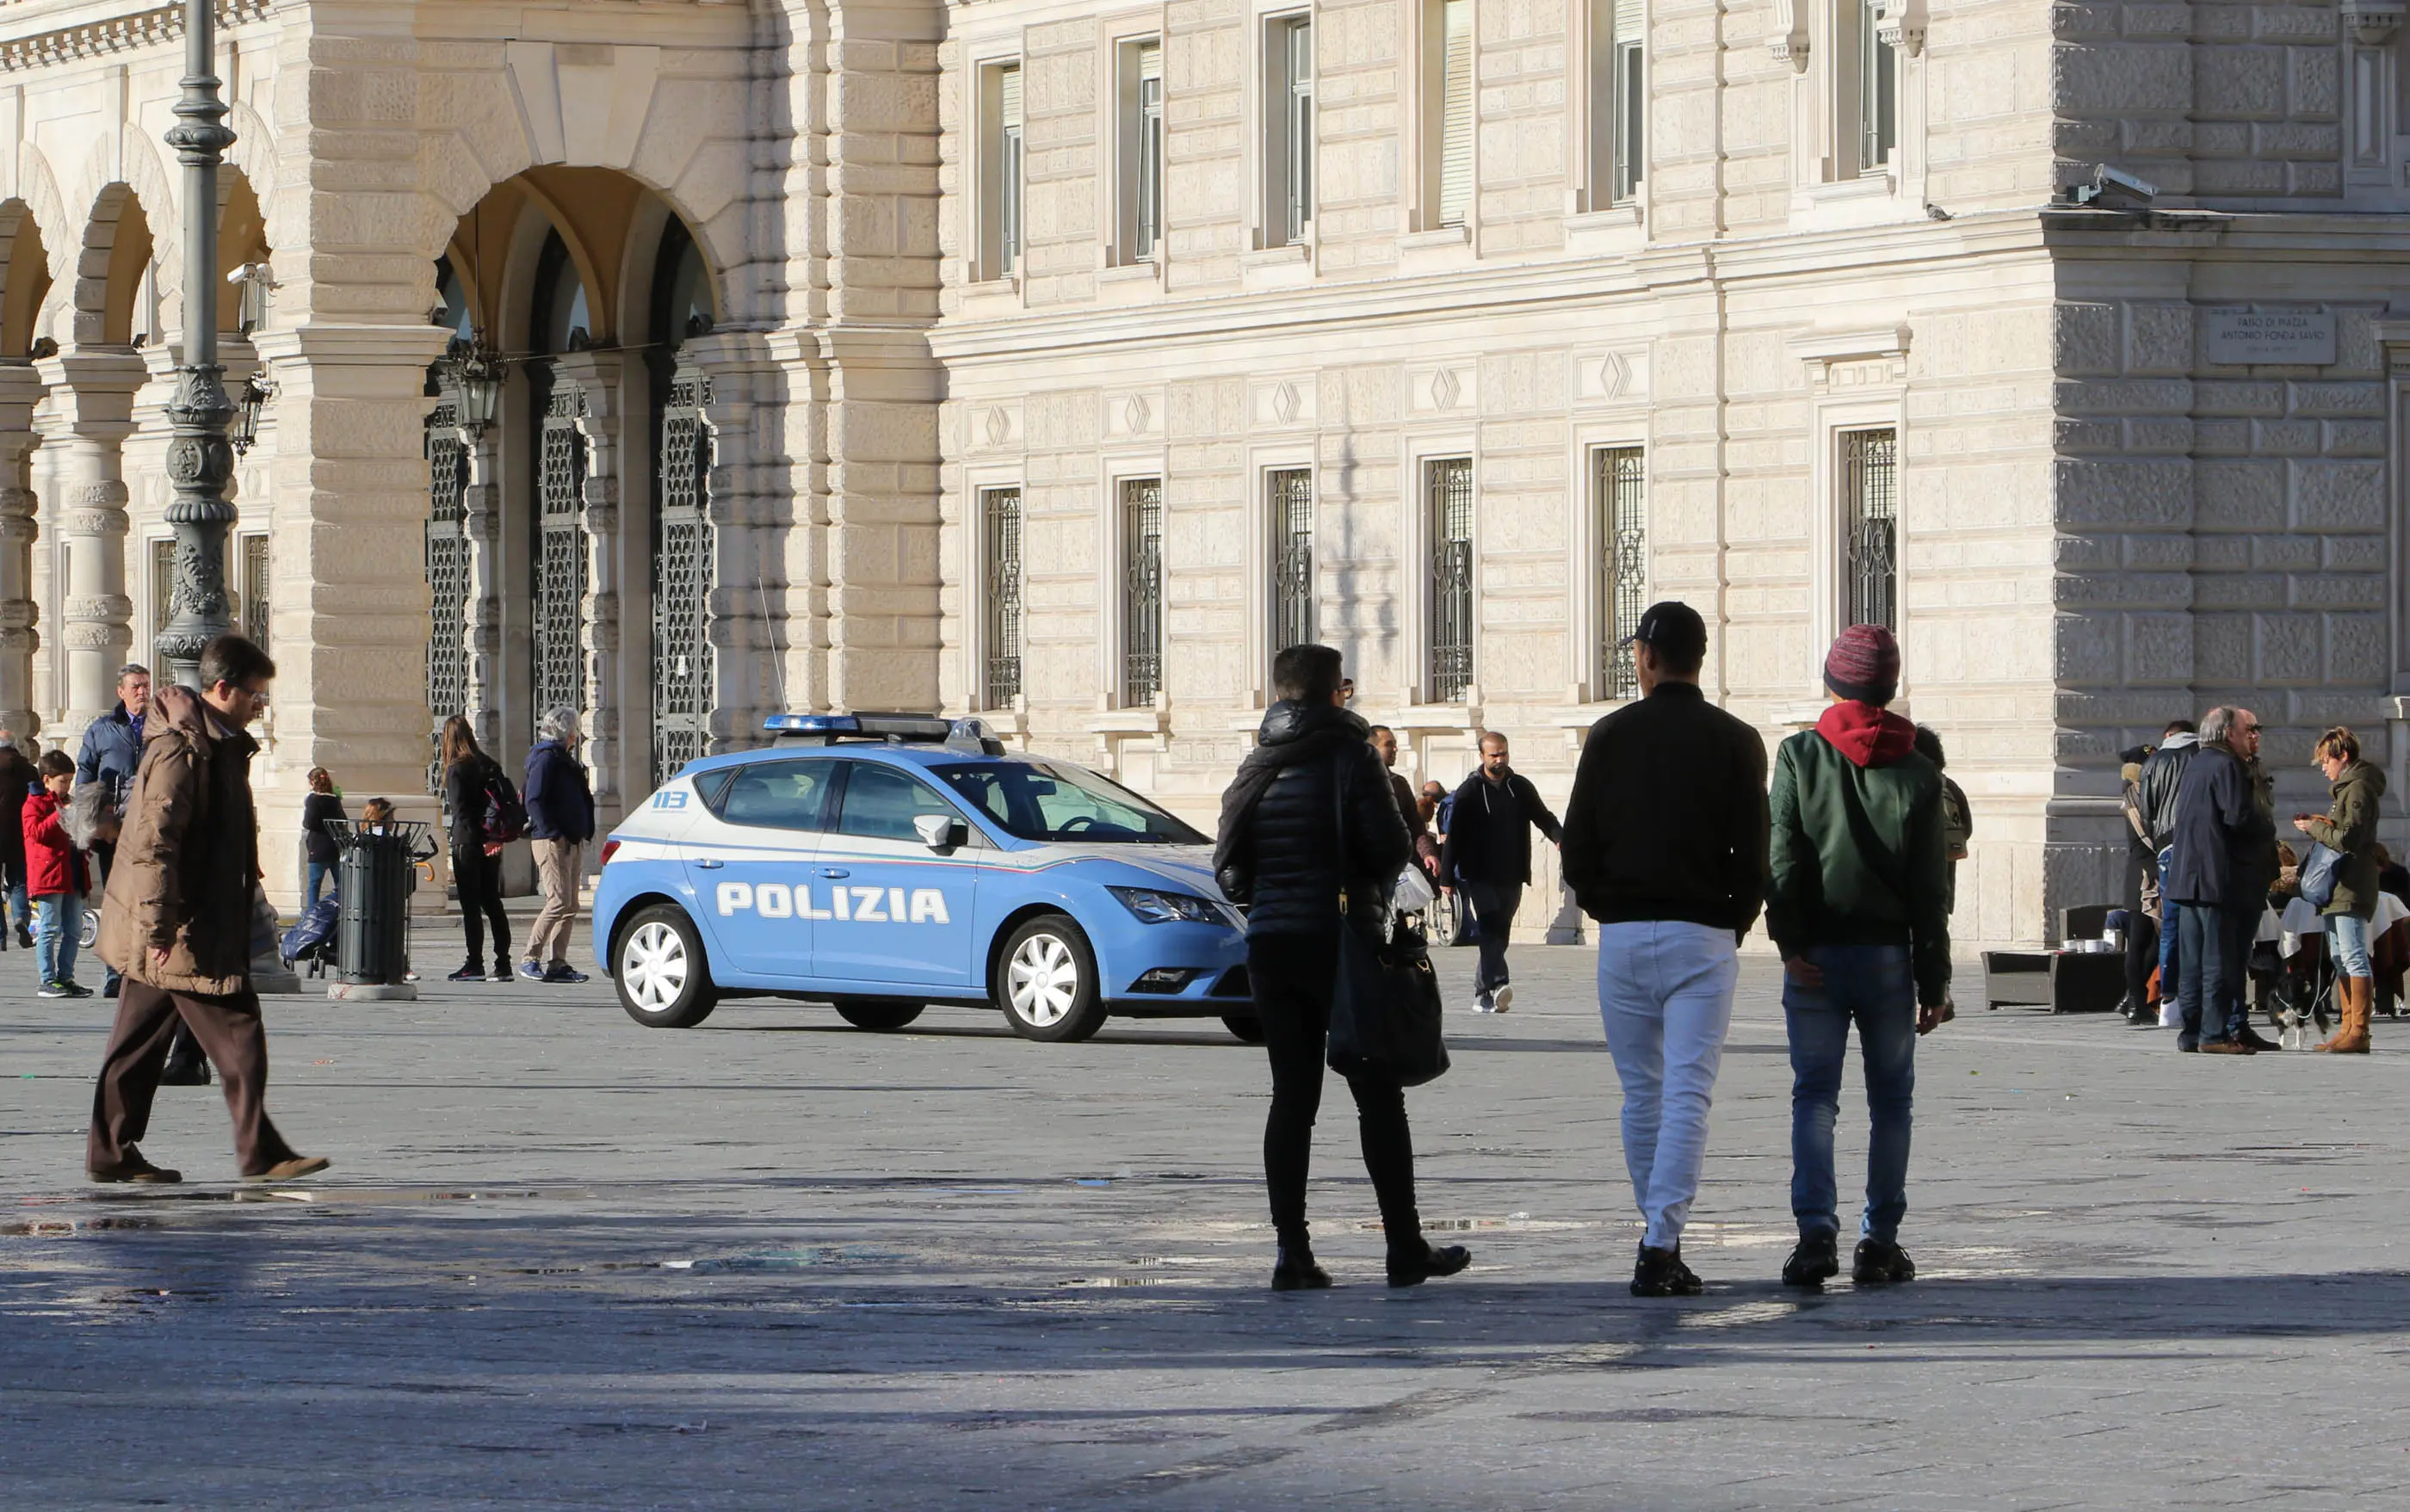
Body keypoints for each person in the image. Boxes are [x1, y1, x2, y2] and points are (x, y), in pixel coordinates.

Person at [1212, 643, 1470, 1292]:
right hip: (1342, 942)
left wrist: (1271, 906)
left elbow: (1231, 866)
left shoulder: (1255, 763)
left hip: (1272, 944)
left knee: (1291, 1098)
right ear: (1335, 692)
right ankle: (1403, 1246)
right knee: (1377, 1092)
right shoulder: (1353, 756)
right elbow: (1389, 847)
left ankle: (1291, 1252)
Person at [1560, 601, 1769, 1298]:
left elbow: (1577, 840)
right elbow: (1754, 850)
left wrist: (1603, 907)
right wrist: (1733, 919)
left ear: (1647, 656)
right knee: (1686, 1093)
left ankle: (1656, 1233)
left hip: (1623, 933)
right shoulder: (1737, 739)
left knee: (1641, 1093)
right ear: (1699, 658)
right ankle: (1660, 1241)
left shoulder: (1609, 734)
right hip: (1701, 930)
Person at [86, 634, 329, 1184]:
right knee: (239, 1030)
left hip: (183, 921)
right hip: (182, 926)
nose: (257, 707)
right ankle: (260, 1154)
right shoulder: (182, 749)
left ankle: (112, 1154)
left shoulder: (219, 745)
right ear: (223, 689)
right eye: (254, 696)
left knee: (135, 1046)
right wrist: (158, 926)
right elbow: (156, 843)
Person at [1765, 624, 1950, 1290]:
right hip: (1886, 958)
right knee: (1891, 1102)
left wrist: (1787, 942)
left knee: (1814, 1097)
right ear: (1890, 685)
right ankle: (1880, 1241)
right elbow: (1932, 888)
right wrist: (1935, 977)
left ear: (1834, 681)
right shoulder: (1921, 771)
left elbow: (1782, 853)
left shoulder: (1797, 755)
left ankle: (1816, 1234)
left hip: (1815, 951)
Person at [2164, 706, 2277, 1054]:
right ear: (2229, 733)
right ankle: (2213, 1035)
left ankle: (2191, 1033)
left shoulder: (2196, 763)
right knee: (2218, 960)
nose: (2252, 735)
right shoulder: (2227, 765)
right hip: (2217, 878)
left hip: (2187, 878)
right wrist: (2266, 827)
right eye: (2248, 729)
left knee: (2193, 962)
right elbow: (2237, 817)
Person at [1441, 731, 1562, 1013]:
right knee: (1490, 925)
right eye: (1494, 755)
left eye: (1503, 754)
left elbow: (1543, 816)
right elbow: (1455, 836)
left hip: (1512, 872)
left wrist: (1560, 837)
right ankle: (1498, 983)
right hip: (1480, 874)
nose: (1500, 760)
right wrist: (1446, 878)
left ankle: (1484, 994)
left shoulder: (1519, 787)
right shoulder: (1470, 791)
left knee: (1500, 932)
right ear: (1482, 756)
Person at [2296, 727, 2387, 1053]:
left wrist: (2315, 828)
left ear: (2342, 756)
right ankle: (2348, 1026)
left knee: (2352, 955)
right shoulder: (2346, 788)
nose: (2323, 767)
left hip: (2351, 884)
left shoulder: (2358, 787)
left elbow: (2351, 839)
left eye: (2325, 760)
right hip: (2339, 887)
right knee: (2339, 956)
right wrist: (2322, 824)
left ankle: (2359, 1031)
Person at [76, 663, 150, 1000]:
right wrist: (90, 820)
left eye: (146, 685)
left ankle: (145, 970)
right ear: (121, 691)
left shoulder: (161, 727)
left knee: (149, 899)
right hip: (114, 829)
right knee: (116, 901)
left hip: (152, 827)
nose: (142, 691)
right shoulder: (103, 729)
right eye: (135, 686)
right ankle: (114, 972)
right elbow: (85, 774)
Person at [522, 707, 596, 984]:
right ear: (567, 731)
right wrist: (552, 831)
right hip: (552, 839)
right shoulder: (545, 759)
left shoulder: (564, 760)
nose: (577, 735)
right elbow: (534, 799)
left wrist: (584, 829)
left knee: (571, 903)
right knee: (557, 901)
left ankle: (558, 962)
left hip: (572, 839)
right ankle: (530, 957)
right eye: (575, 729)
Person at [2135, 719, 2200, 1028]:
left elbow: (2146, 811)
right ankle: (2197, 999)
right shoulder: (2204, 754)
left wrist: (2159, 841)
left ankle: (2169, 1002)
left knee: (2171, 925)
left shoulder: (2154, 761)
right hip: (2198, 843)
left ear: (2168, 737)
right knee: (2203, 921)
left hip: (2165, 848)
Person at [439, 714, 512, 984]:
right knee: (492, 901)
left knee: (471, 906)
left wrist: (475, 838)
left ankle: (475, 963)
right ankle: (503, 963)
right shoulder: (488, 764)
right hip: (492, 842)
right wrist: (492, 837)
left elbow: (461, 811)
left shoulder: (456, 769)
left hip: (468, 842)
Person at [23, 749, 90, 998]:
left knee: (74, 930)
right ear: (47, 779)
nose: (67, 786)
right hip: (48, 875)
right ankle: (47, 979)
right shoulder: (33, 804)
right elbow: (36, 833)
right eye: (63, 781)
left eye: (70, 781)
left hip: (72, 872)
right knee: (50, 928)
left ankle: (66, 977)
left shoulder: (65, 801)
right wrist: (60, 815)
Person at [1911, 725, 1973, 914]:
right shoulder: (1950, 787)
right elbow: (1966, 829)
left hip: (1911, 887)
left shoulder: (1910, 786)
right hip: (1943, 884)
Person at [1369, 725, 1438, 881]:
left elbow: (1415, 826)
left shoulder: (1399, 784)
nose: (1395, 749)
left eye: (1395, 744)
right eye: (1388, 744)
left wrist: (1428, 854)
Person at [0, 729, 35, 951]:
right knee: (19, 880)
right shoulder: (28, 770)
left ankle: (0, 937)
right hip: (20, 834)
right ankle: (21, 917)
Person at [300, 767, 346, 908]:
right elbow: (342, 819)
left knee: (314, 885)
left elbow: (309, 823)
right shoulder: (335, 799)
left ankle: (311, 915)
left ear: (313, 781)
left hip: (318, 846)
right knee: (340, 884)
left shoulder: (313, 799)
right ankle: (340, 910)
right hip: (335, 845)